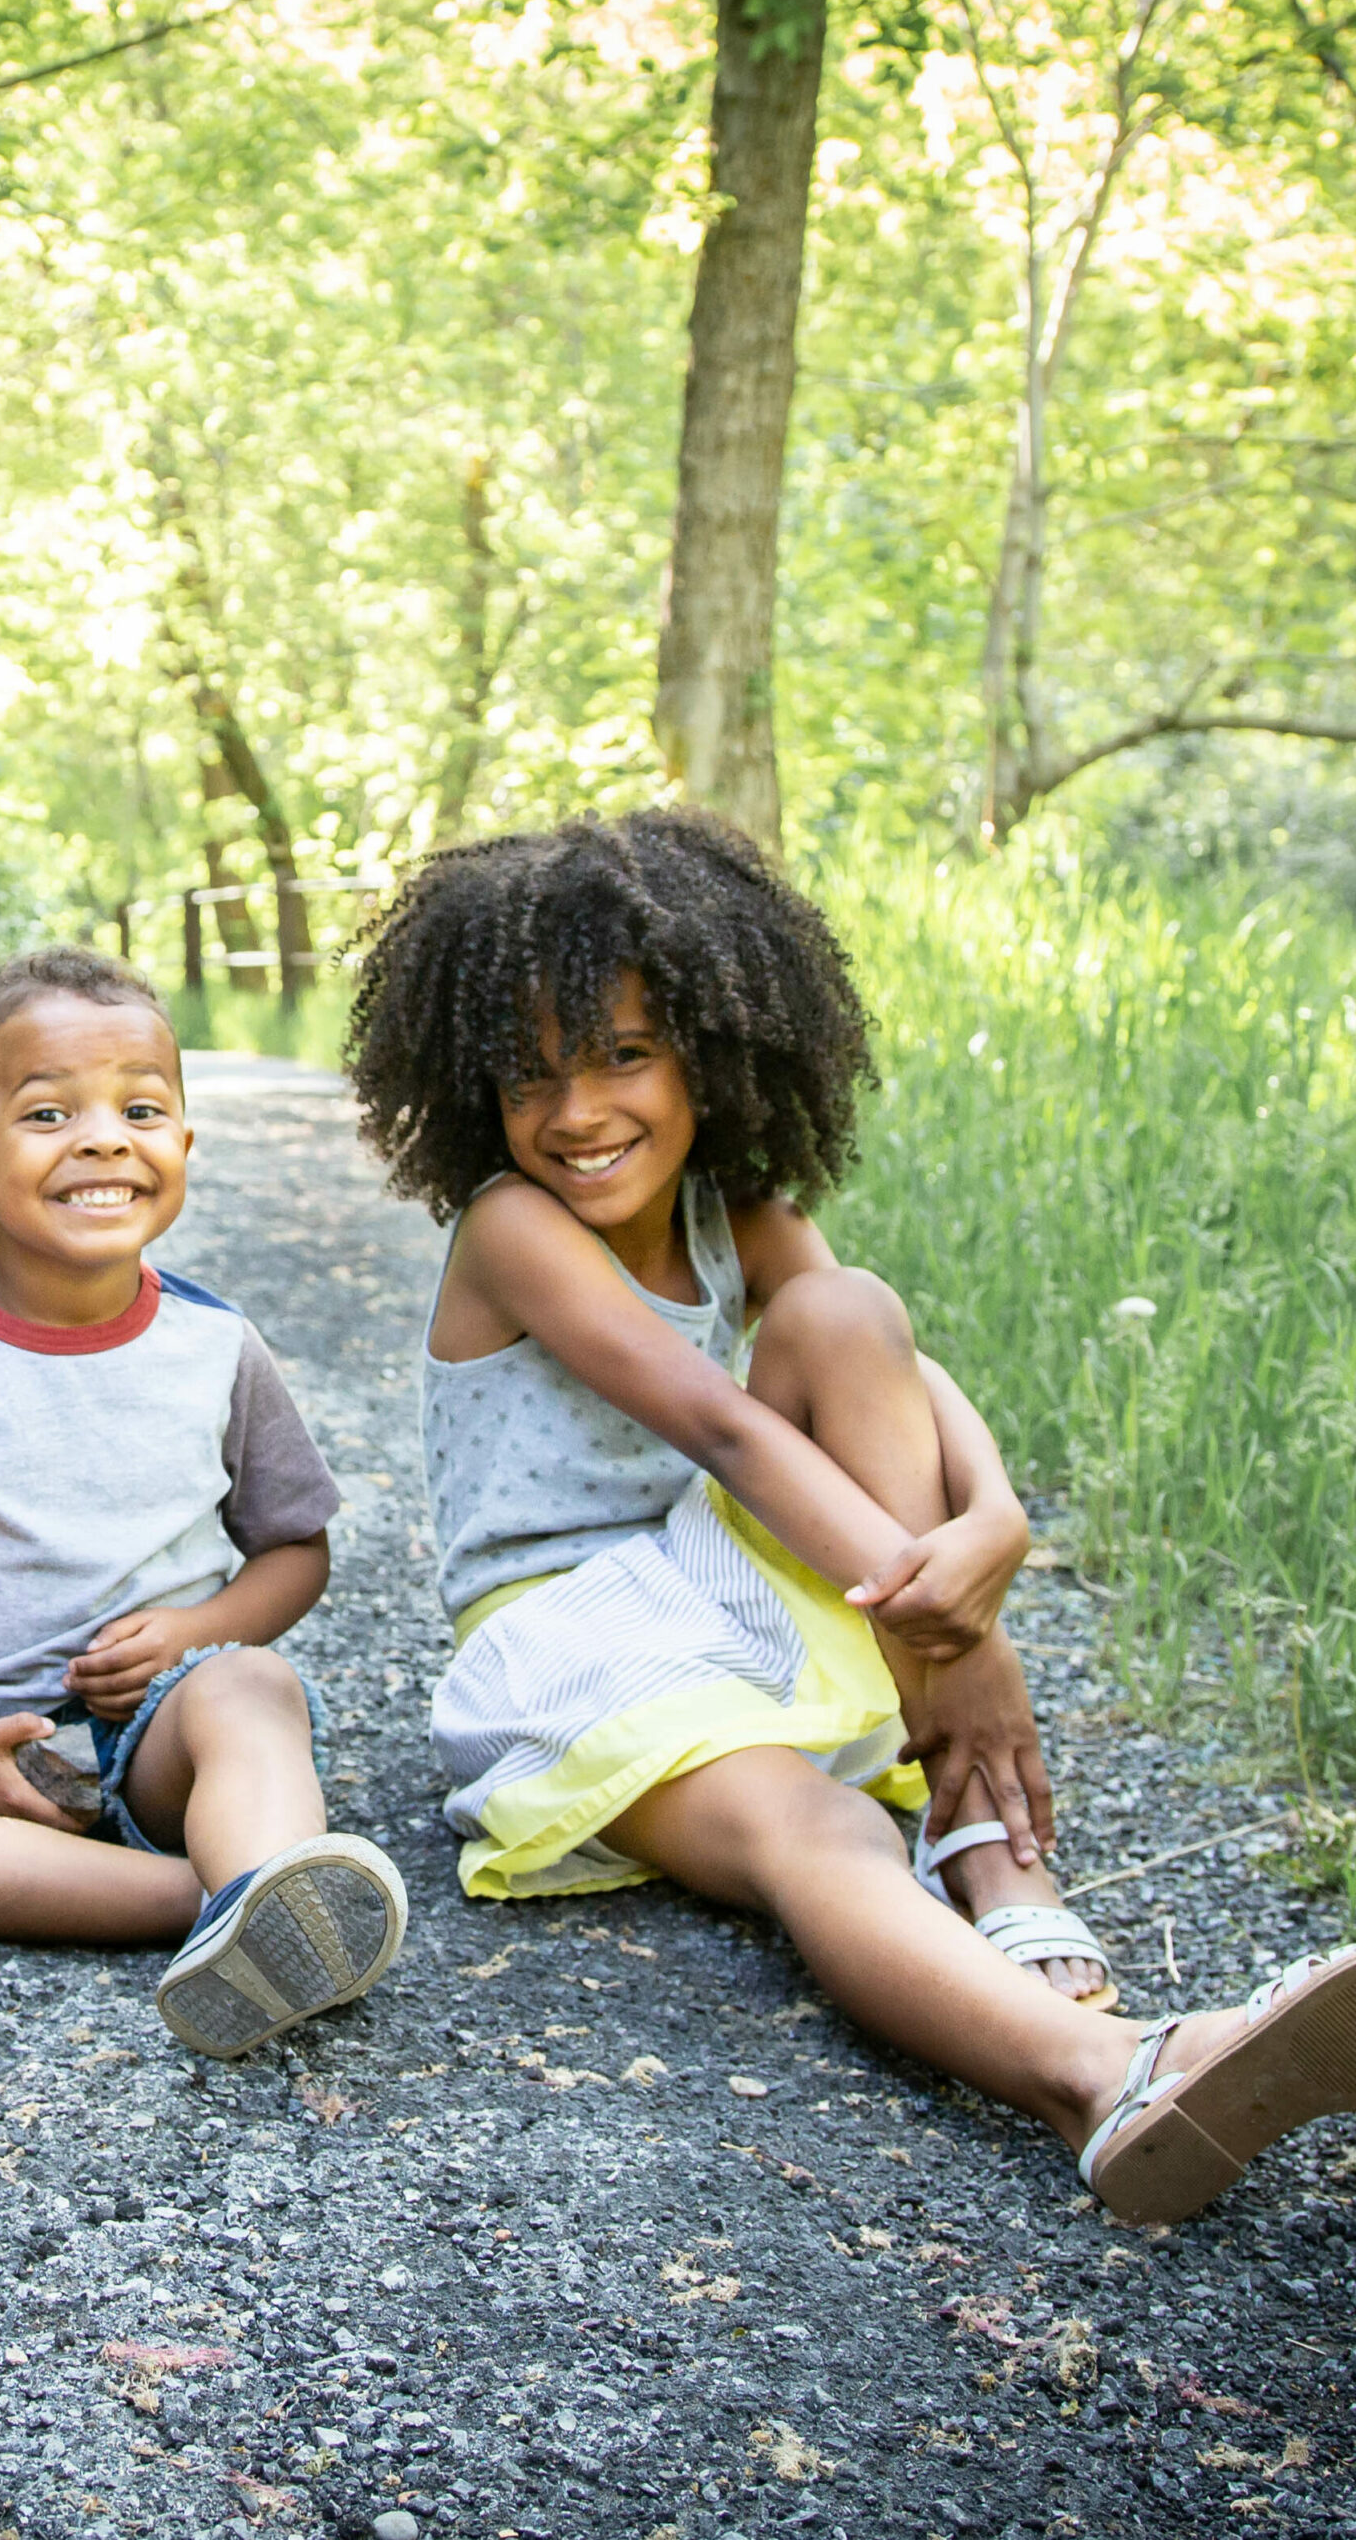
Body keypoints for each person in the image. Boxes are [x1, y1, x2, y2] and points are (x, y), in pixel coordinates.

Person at [345, 809, 1356, 2223]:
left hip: (725, 1578)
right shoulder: (515, 1227)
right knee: (820, 1839)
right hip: (578, 1640)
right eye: (532, 1076)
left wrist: (994, 1525)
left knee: (844, 1305)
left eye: (626, 1055)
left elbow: (892, 1360)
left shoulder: (734, 1207)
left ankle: (992, 1850)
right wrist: (960, 1638)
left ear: (716, 1048)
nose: (578, 1114)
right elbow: (724, 1424)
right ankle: (1110, 2074)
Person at [0, 947, 406, 2056]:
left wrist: (197, 1632)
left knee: (251, 1685)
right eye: (49, 1111)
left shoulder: (216, 1346)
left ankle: (255, 1880)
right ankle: (216, 1907)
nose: (104, 1137)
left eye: (141, 1108)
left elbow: (294, 1551)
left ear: (184, 1147)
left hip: (161, 1734)